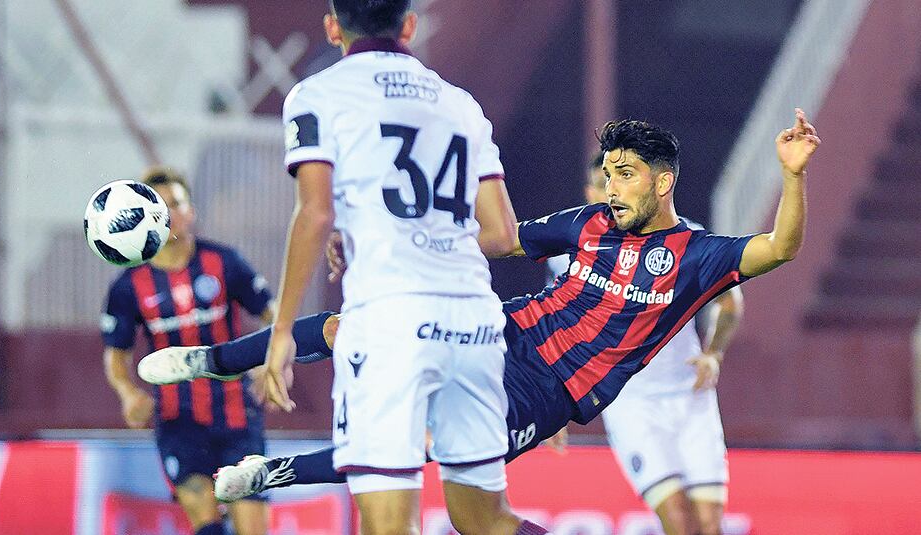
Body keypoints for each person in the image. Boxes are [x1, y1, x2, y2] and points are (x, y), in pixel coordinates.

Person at [140, 110, 819, 524]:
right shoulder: (586, 223)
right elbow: (496, 238)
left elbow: (781, 248)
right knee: (364, 322)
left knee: (440, 465)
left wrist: (791, 175)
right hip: (501, 331)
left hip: (550, 391)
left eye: (626, 175)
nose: (611, 188)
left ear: (663, 181)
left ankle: (275, 473)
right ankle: (211, 361)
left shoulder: (696, 257)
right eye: (608, 173)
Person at [246, 1, 543, 533]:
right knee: (486, 519)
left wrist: (283, 331)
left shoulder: (317, 94)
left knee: (387, 525)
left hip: (389, 323)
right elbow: (501, 235)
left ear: (332, 26)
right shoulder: (461, 104)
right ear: (409, 25)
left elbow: (315, 212)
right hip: (474, 320)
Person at [548, 155, 745, 535]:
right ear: (590, 193)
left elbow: (729, 301)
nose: (612, 193)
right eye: (603, 185)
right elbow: (562, 330)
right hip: (631, 403)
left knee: (709, 525)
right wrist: (555, 404)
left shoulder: (686, 239)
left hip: (690, 395)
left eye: (621, 181)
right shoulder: (569, 254)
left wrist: (714, 353)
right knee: (678, 521)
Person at [102, 168, 273, 535]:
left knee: (251, 525)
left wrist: (270, 361)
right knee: (204, 516)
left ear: (191, 211)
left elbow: (271, 312)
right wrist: (128, 392)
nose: (169, 213)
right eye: (159, 206)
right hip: (178, 420)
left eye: (176, 203)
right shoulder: (129, 285)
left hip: (237, 414)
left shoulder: (224, 262)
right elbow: (117, 354)